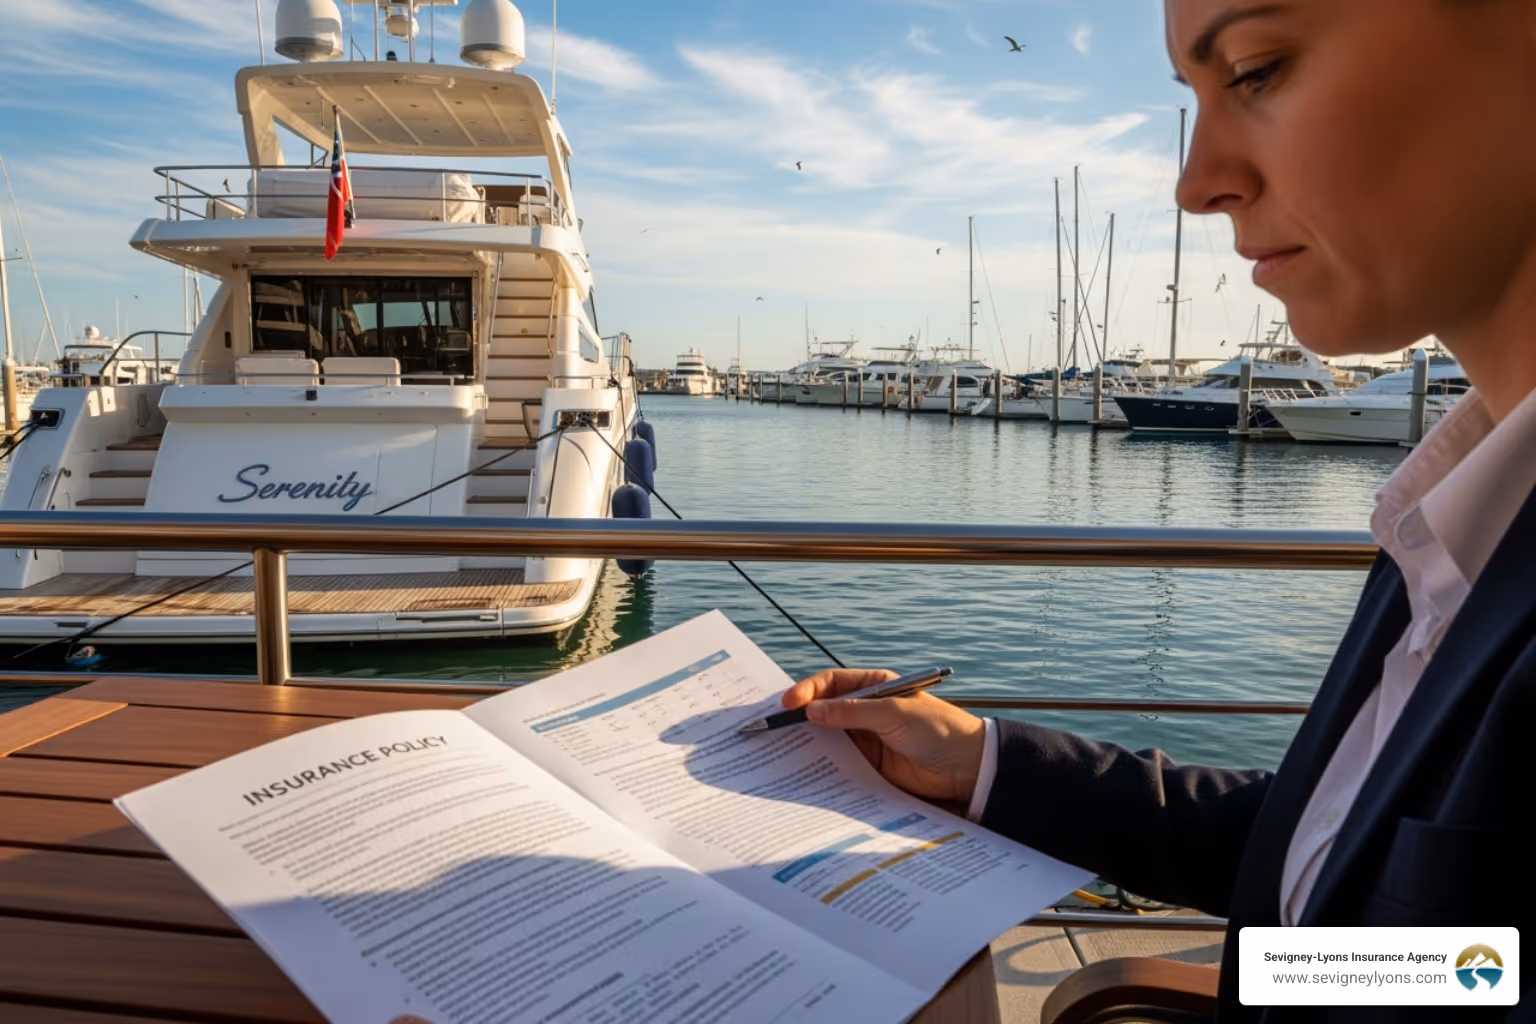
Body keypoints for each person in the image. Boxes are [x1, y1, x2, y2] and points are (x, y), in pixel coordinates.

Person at [781, 1, 1534, 1020]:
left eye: (1257, 70)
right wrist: (983, 762)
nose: (1194, 184)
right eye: (1193, 96)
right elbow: (1390, 906)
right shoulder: (1454, 520)